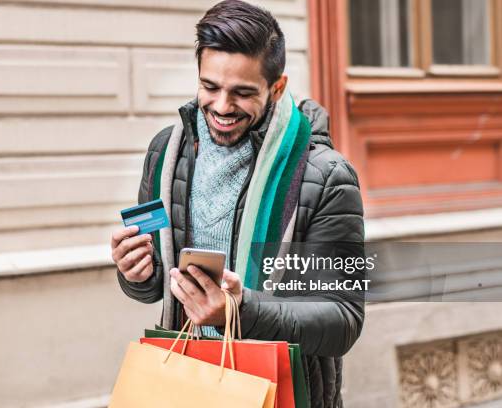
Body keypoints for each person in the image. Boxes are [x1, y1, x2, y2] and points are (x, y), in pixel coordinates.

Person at [111, 1, 364, 406]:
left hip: (281, 392)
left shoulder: (327, 177)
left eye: (242, 93)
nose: (223, 107)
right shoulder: (166, 154)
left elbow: (342, 320)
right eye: (210, 87)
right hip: (188, 386)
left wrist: (239, 310)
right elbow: (159, 285)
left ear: (276, 88)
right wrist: (136, 273)